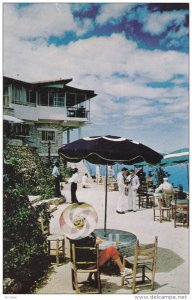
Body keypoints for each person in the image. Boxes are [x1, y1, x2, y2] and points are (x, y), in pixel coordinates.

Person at [70, 215, 130, 280]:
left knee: (98, 252)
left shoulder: (73, 236)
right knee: (112, 250)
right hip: (89, 264)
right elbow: (99, 241)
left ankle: (90, 277)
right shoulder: (85, 238)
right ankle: (122, 269)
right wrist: (93, 234)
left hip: (77, 262)